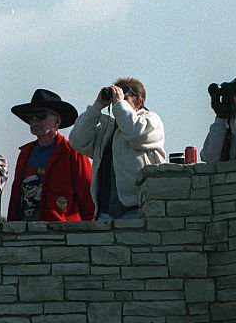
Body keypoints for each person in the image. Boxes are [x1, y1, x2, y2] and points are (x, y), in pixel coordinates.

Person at [70, 78, 166, 220]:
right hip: (104, 211)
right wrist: (97, 106)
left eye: (123, 98)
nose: (116, 102)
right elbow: (77, 140)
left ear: (138, 102)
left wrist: (120, 104)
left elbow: (136, 134)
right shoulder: (107, 130)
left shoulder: (151, 121)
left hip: (138, 208)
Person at [7, 89, 94, 222]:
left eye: (41, 115)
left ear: (57, 122)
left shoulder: (73, 153)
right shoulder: (25, 153)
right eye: (31, 117)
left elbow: (88, 201)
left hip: (61, 235)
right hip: (24, 234)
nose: (34, 120)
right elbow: (16, 198)